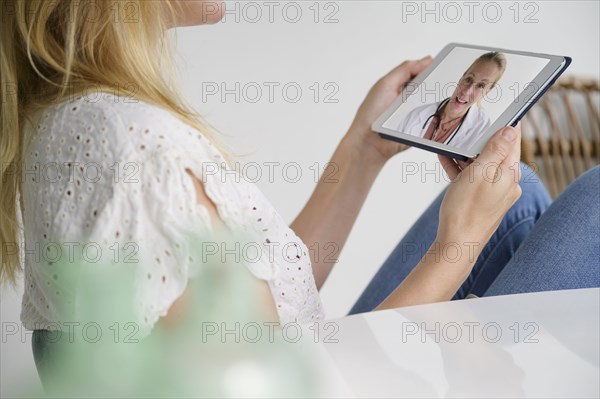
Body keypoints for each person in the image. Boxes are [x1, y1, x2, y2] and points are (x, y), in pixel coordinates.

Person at [0, 0, 598, 390]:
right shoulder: (140, 147)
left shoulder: (78, 120)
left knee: (522, 198)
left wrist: (362, 152)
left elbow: (271, 310)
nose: (468, 89)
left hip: (320, 356)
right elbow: (301, 383)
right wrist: (457, 249)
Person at [396, 52, 506, 150]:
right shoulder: (417, 114)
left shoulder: (483, 129)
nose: (467, 92)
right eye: (468, 79)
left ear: (488, 91)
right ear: (461, 77)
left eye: (481, 86)